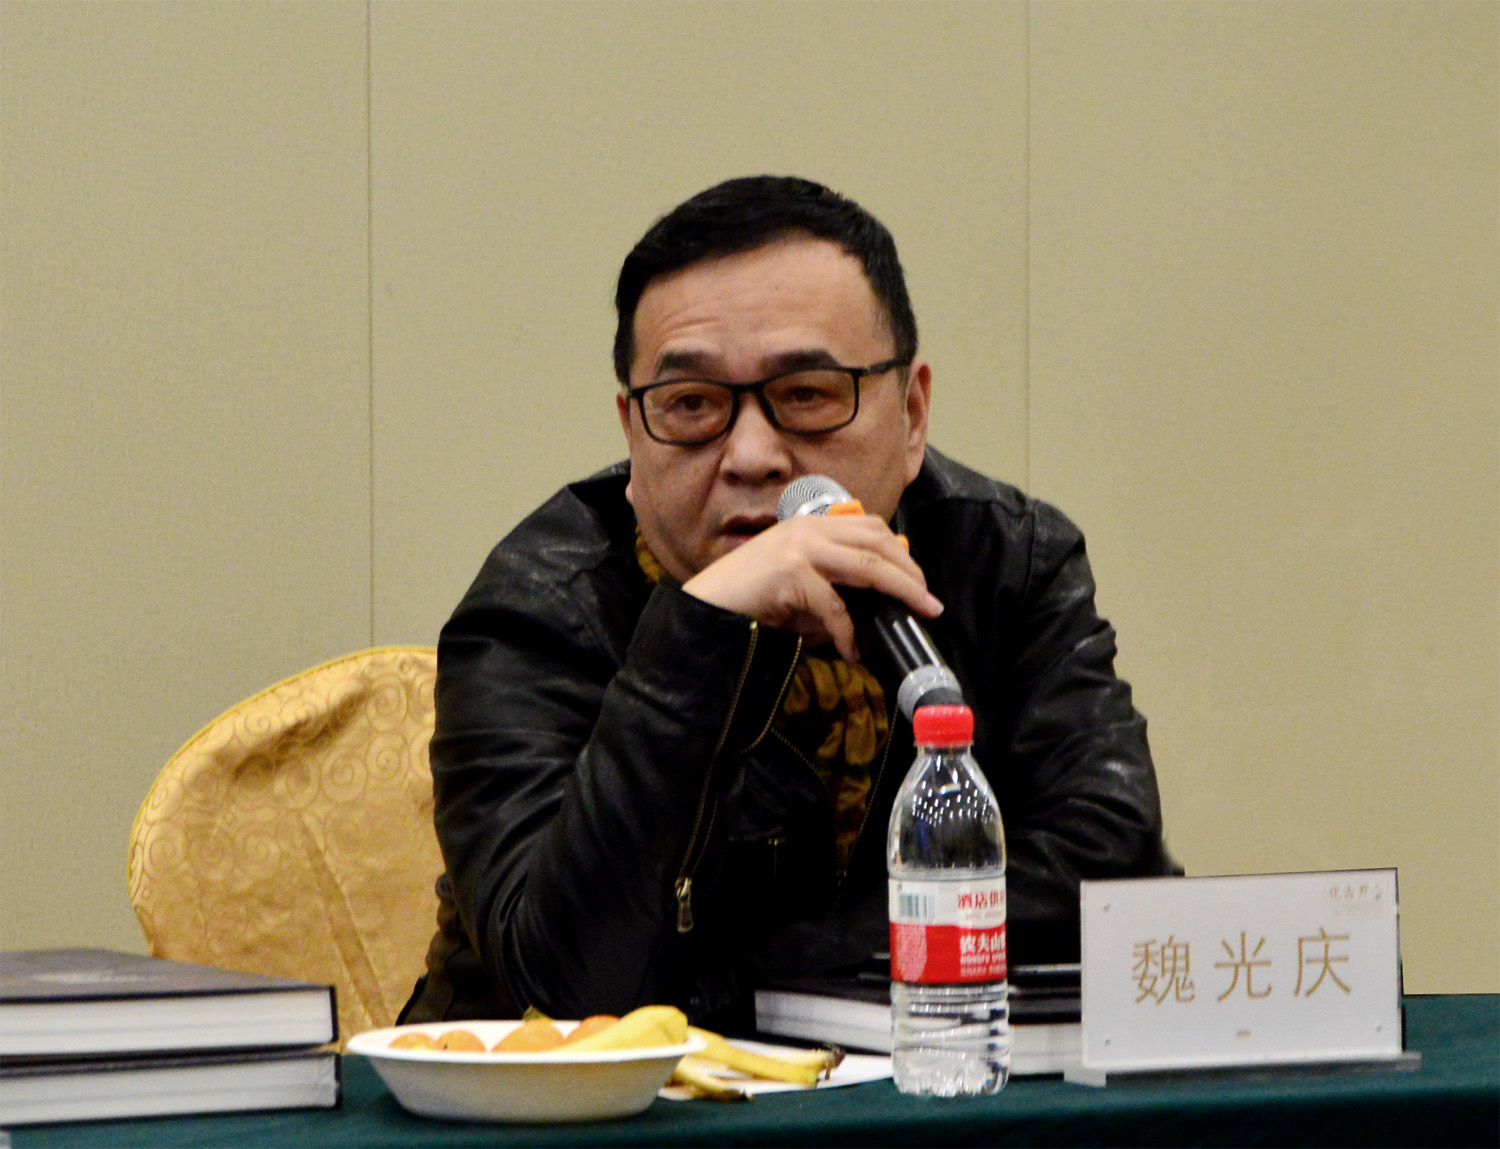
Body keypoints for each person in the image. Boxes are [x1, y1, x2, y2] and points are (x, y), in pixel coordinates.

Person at [401, 176, 1176, 1030]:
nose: (752, 455)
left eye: (807, 393)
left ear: (913, 414)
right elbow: (563, 984)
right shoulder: (533, 611)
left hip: (915, 1079)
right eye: (691, 405)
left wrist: (761, 973)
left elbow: (1113, 876)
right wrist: (694, 635)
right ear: (631, 431)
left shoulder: (1006, 561)